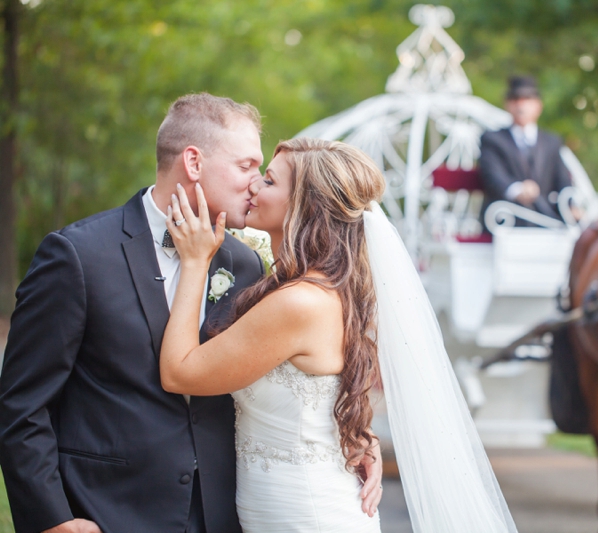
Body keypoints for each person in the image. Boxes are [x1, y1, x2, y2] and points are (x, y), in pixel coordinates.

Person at [0, 94, 383, 533]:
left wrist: (353, 437)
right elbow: (22, 404)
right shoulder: (79, 257)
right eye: (246, 166)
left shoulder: (246, 264)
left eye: (263, 173)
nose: (255, 183)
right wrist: (53, 519)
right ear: (194, 163)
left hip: (227, 514)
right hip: (109, 511)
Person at [159, 137, 519, 533]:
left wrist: (195, 264)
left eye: (270, 182)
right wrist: (355, 434)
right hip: (281, 504)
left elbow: (180, 374)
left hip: (305, 513)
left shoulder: (300, 303)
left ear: (305, 205)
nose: (254, 188)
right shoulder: (326, 289)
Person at [478, 75, 573, 227]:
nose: (521, 105)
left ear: (538, 106)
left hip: (546, 222)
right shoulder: (492, 139)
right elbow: (492, 176)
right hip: (504, 222)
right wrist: (517, 190)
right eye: (515, 99)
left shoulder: (552, 142)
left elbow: (562, 180)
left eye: (527, 99)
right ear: (507, 104)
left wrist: (571, 206)